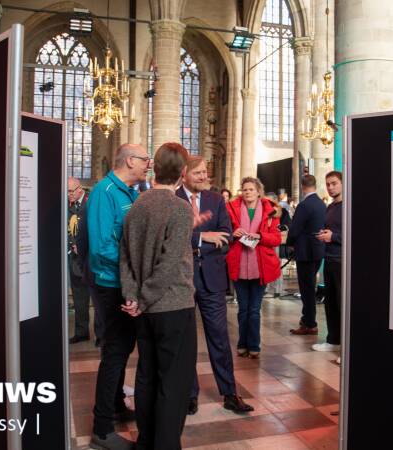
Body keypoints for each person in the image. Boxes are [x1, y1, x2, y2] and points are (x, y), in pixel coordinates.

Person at [119, 142, 197, 450]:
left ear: (154, 168)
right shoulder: (180, 208)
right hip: (172, 306)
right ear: (183, 172)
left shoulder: (136, 205)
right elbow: (169, 264)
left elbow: (125, 257)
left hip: (144, 309)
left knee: (147, 377)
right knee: (173, 384)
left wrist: (133, 297)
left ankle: (146, 442)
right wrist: (144, 298)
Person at [177, 156, 254, 416]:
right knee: (185, 340)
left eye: (205, 172)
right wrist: (201, 238)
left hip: (212, 277)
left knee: (219, 337)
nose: (203, 176)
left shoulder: (215, 200)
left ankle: (230, 393)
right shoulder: (173, 197)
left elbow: (226, 233)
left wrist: (201, 242)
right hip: (182, 279)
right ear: (184, 173)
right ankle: (189, 394)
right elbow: (169, 236)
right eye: (197, 173)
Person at [87, 143, 151, 450]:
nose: (148, 165)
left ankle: (115, 405)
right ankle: (101, 430)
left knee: (123, 348)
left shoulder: (131, 193)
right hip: (112, 284)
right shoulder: (105, 192)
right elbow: (102, 247)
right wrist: (134, 270)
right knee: (114, 351)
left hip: (126, 282)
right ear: (129, 161)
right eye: (144, 160)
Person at [225, 177, 282, 358]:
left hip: (261, 266)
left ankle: (254, 345)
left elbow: (276, 239)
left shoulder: (270, 211)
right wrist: (232, 234)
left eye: (251, 189)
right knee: (243, 309)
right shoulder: (231, 208)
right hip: (239, 264)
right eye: (245, 189)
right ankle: (242, 343)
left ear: (258, 192)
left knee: (254, 310)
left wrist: (260, 236)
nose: (248, 192)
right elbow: (224, 233)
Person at [287, 175, 326, 335]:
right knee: (310, 286)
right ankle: (307, 320)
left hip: (305, 251)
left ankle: (310, 323)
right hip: (318, 250)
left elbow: (294, 229)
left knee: (307, 289)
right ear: (315, 185)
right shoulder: (322, 204)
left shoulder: (304, 205)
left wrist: (289, 243)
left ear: (303, 187)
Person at [313, 171, 343, 352]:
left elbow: (355, 234)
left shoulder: (349, 205)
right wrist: (324, 234)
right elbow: (331, 230)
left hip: (342, 261)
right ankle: (333, 340)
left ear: (343, 183)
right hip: (329, 258)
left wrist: (334, 237)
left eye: (334, 183)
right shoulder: (330, 207)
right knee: (330, 302)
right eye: (328, 184)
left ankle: (345, 348)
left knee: (341, 303)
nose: (330, 187)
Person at [67, 177, 95, 345]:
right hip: (75, 261)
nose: (69, 195)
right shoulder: (68, 205)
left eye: (71, 191)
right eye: (67, 192)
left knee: (98, 301)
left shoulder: (91, 203)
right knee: (79, 299)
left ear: (80, 189)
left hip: (92, 259)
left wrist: (84, 245)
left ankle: (101, 336)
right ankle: (81, 332)